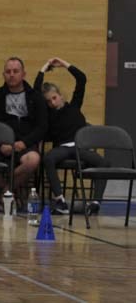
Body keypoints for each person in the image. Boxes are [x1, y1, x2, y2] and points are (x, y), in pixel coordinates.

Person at [34, 57, 108, 215]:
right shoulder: (47, 114)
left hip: (80, 147)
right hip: (62, 148)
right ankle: (60, 200)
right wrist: (44, 67)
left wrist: (63, 64)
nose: (53, 103)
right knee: (48, 158)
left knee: (103, 163)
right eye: (48, 101)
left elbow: (82, 79)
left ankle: (95, 202)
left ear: (60, 96)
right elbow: (34, 92)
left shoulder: (75, 105)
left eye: (54, 98)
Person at [0, 57, 47, 207]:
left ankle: (6, 190)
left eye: (16, 71)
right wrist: (1, 144)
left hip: (24, 143)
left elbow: (42, 127)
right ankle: (7, 189)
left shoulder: (36, 97)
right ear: (3, 75)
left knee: (33, 160)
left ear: (23, 74)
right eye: (8, 72)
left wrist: (22, 143)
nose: (12, 74)